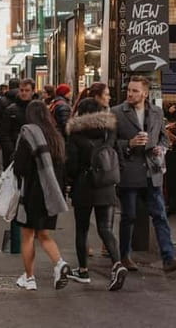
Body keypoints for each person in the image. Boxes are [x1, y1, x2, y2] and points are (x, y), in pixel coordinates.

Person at [112, 75, 176, 273]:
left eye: (135, 91)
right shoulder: (116, 113)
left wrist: (161, 149)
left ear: (145, 93)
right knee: (128, 216)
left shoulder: (156, 112)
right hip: (129, 172)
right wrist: (128, 144)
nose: (130, 94)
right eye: (129, 90)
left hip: (152, 171)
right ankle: (125, 256)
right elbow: (110, 143)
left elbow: (164, 139)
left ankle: (169, 258)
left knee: (160, 215)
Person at [65, 97, 127, 291]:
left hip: (84, 185)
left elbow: (71, 165)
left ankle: (83, 271)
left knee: (82, 229)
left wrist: (69, 183)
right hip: (107, 184)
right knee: (105, 228)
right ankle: (117, 264)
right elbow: (118, 155)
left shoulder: (75, 134)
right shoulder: (110, 131)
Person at [13, 100, 70, 291]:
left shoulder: (28, 132)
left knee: (28, 235)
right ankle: (60, 263)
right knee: (44, 233)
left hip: (34, 191)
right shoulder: (56, 136)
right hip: (53, 192)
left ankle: (29, 278)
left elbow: (20, 166)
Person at [0, 78, 35, 168]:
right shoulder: (11, 110)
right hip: (14, 151)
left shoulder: (37, 109)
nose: (24, 93)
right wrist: (12, 152)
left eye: (27, 90)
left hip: (33, 153)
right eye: (22, 90)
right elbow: (4, 134)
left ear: (33, 91)